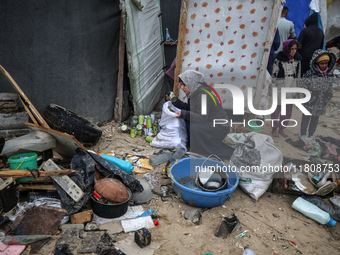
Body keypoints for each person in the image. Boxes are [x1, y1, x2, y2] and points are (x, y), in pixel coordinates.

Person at [167, 70, 234, 159]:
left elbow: (202, 118)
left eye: (184, 85)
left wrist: (184, 113)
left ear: (191, 82)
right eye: (181, 85)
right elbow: (190, 108)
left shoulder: (204, 96)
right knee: (188, 120)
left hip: (220, 127)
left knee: (194, 127)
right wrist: (175, 102)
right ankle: (197, 145)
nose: (182, 88)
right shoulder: (195, 93)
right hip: (210, 123)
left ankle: (204, 150)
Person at [299, 49, 337, 138]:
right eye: (321, 63)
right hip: (310, 101)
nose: (324, 65)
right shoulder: (310, 73)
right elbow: (303, 85)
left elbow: (330, 87)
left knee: (315, 119)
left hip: (321, 102)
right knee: (306, 118)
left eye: (326, 63)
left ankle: (311, 134)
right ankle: (303, 134)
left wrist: (327, 97)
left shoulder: (329, 75)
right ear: (316, 63)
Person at [271, 39, 302, 138]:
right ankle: (274, 129)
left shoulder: (297, 60)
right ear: (286, 48)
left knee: (287, 111)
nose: (293, 51)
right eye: (291, 49)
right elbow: (273, 75)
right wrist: (272, 88)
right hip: (281, 87)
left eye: (295, 49)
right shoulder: (278, 60)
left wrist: (298, 90)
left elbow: (298, 75)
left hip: (292, 86)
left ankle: (282, 129)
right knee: (277, 109)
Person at [297, 13, 324, 77]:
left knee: (298, 76)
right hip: (314, 59)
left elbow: (298, 44)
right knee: (310, 77)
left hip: (302, 58)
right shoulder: (320, 32)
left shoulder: (305, 31)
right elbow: (321, 46)